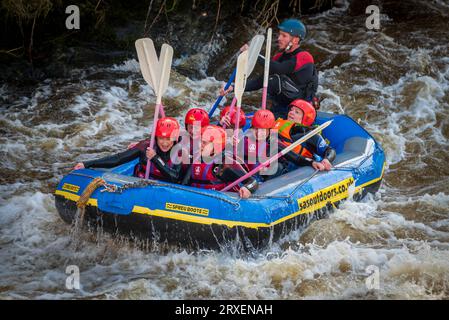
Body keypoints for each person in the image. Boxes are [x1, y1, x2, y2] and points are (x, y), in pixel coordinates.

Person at [221, 18, 319, 119]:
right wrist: (233, 87)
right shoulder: (278, 57)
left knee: (274, 80)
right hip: (280, 109)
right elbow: (259, 81)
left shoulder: (304, 57)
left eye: (284, 36)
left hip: (299, 112)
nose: (279, 38)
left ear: (295, 40)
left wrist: (253, 53)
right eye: (279, 34)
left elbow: (280, 69)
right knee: (270, 80)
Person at [73, 117, 183, 183]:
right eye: (161, 138)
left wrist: (155, 158)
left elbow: (175, 178)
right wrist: (86, 164)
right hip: (141, 186)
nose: (164, 143)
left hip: (166, 192)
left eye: (168, 139)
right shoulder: (145, 146)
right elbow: (118, 159)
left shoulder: (180, 151)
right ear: (155, 137)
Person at [181, 125, 258, 199]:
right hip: (197, 202)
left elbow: (253, 182)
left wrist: (247, 188)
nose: (199, 145)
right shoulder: (194, 159)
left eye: (204, 143)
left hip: (222, 203)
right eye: (199, 141)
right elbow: (184, 185)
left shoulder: (226, 164)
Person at [243, 109, 317, 181]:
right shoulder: (245, 139)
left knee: (278, 167)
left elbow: (297, 158)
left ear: (270, 130)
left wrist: (312, 162)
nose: (258, 133)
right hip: (249, 174)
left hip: (268, 177)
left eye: (263, 130)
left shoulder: (275, 144)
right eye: (256, 129)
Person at [273, 99, 335, 172]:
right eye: (291, 110)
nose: (291, 113)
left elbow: (329, 150)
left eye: (297, 112)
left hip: (290, 166)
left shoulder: (308, 134)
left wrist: (327, 159)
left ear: (306, 118)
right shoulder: (279, 122)